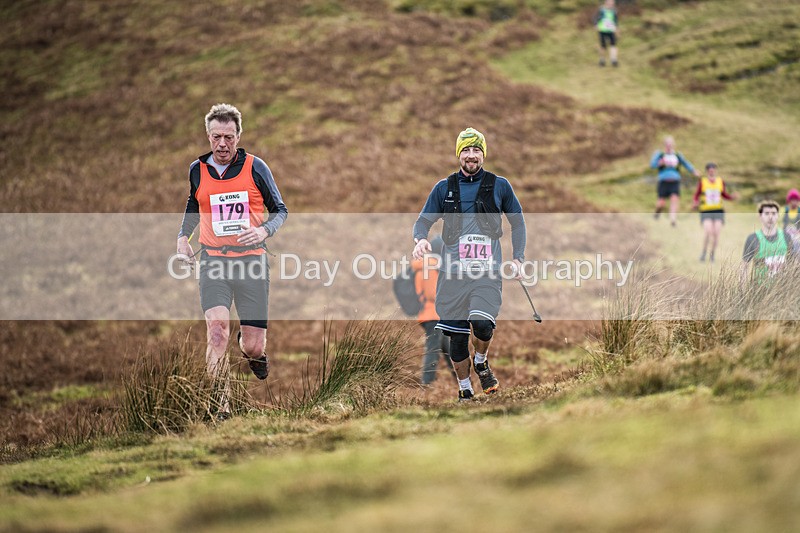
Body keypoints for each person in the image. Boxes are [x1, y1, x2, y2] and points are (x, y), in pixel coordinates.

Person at [176, 103, 288, 418]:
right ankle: (220, 409)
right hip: (213, 261)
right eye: (215, 137)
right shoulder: (197, 170)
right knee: (216, 331)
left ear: (238, 136)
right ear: (208, 136)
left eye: (228, 137)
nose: (222, 144)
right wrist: (183, 237)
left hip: (251, 262)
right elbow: (193, 203)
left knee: (253, 346)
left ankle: (252, 350)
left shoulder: (256, 167)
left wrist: (264, 231)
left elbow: (280, 210)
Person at [412, 127, 527, 402]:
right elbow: (423, 221)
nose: (471, 155)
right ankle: (465, 389)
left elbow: (518, 222)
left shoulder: (500, 186)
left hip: (487, 272)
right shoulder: (443, 188)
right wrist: (419, 240)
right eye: (466, 150)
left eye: (476, 150)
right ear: (458, 155)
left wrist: (518, 258)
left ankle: (481, 361)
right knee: (457, 338)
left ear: (483, 154)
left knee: (482, 324)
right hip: (452, 277)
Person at [412, 235, 454, 386]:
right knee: (433, 351)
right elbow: (433, 294)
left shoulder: (428, 267)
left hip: (434, 315)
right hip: (433, 315)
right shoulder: (431, 267)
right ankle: (426, 385)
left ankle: (464, 382)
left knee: (450, 350)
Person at [691, 162, 738, 262]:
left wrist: (732, 197)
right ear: (707, 171)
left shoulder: (720, 181)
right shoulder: (702, 181)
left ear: (715, 170)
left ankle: (712, 255)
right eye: (709, 169)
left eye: (713, 169)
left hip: (718, 210)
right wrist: (695, 202)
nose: (711, 171)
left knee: (716, 233)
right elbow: (696, 195)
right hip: (706, 210)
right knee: (708, 232)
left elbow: (724, 194)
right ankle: (704, 253)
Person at [650, 135, 701, 227]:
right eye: (667, 144)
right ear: (664, 145)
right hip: (663, 181)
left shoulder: (677, 155)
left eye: (671, 144)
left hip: (675, 181)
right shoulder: (660, 154)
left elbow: (686, 163)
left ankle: (673, 220)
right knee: (661, 203)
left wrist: (694, 171)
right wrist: (659, 163)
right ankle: (657, 212)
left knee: (674, 199)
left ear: (673, 145)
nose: (669, 146)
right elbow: (652, 165)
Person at [740, 201, 793, 286]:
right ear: (760, 216)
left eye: (774, 213)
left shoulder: (787, 237)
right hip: (759, 291)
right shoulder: (753, 238)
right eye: (767, 213)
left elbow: (794, 264)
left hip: (783, 289)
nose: (770, 217)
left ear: (778, 216)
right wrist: (742, 292)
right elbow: (744, 267)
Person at [594, 0, 619, 67]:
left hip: (611, 30)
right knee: (603, 46)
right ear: (606, 3)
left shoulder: (614, 11)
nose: (611, 4)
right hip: (602, 30)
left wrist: (617, 28)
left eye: (613, 3)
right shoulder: (601, 10)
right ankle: (602, 60)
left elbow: (615, 20)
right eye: (610, 3)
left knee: (613, 45)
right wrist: (596, 25)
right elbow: (595, 18)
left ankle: (614, 60)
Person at [783, 189, 800, 254]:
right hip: (788, 235)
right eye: (792, 200)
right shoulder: (786, 210)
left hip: (797, 236)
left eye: (796, 200)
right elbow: (784, 223)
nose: (794, 202)